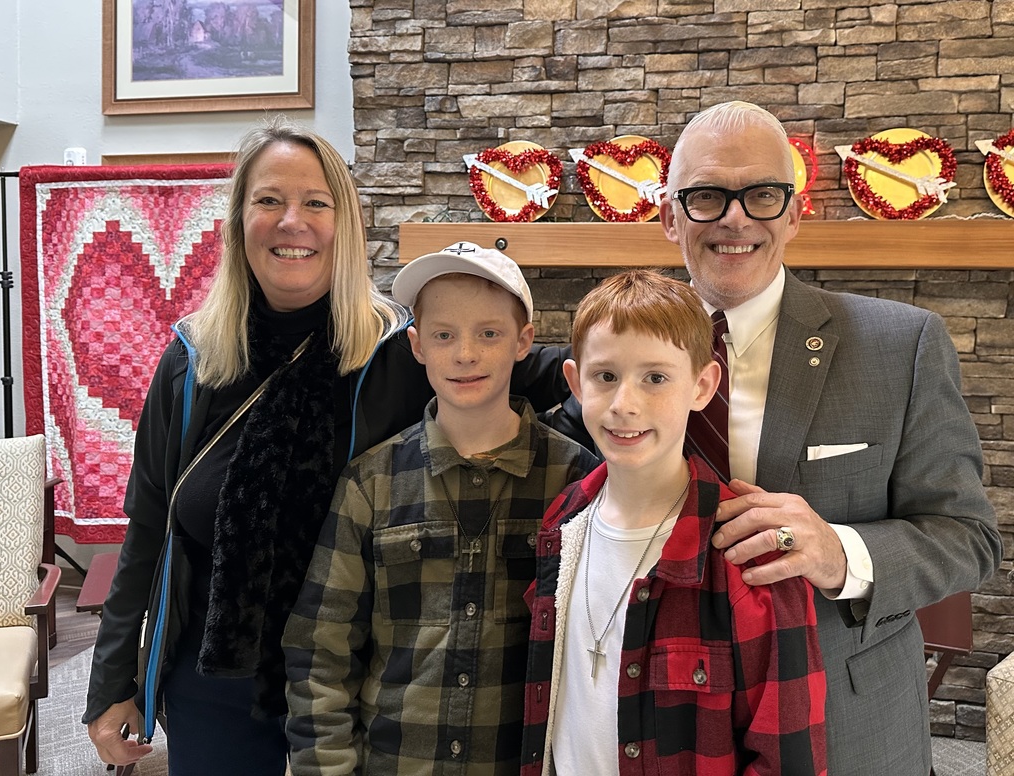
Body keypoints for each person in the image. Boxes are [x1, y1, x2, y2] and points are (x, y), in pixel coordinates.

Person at [82, 120, 574, 775]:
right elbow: (147, 530)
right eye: (269, 200)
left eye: (316, 202)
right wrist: (112, 681)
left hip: (361, 679)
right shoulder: (191, 362)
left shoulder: (398, 352)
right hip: (215, 678)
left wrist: (646, 375)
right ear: (238, 220)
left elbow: (559, 370)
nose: (294, 221)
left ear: (345, 224)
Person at [652, 101, 1001, 775]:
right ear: (670, 216)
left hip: (845, 730)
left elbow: (970, 540)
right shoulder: (615, 352)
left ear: (794, 211)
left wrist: (839, 551)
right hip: (663, 725)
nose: (735, 218)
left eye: (761, 195)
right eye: (705, 196)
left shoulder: (902, 345)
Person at [282, 242, 598, 775]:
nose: (465, 354)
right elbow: (321, 651)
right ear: (417, 345)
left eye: (489, 334)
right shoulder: (370, 484)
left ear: (524, 341)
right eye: (444, 335)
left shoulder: (576, 480)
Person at [521, 269, 827, 775]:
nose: (625, 405)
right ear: (576, 383)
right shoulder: (562, 522)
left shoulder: (749, 557)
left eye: (656, 378)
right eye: (606, 377)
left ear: (703, 385)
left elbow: (788, 758)